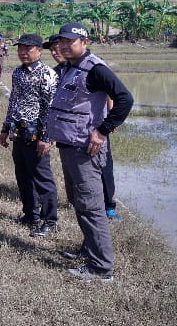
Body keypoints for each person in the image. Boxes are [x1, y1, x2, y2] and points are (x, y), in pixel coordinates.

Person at [48, 23, 133, 281]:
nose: (64, 45)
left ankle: (101, 268)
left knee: (92, 206)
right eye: (61, 41)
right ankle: (89, 249)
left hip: (85, 149)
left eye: (70, 41)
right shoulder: (70, 67)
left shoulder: (95, 69)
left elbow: (125, 99)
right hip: (69, 146)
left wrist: (102, 131)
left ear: (84, 42)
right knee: (80, 202)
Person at [44, 34, 121, 222]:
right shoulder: (58, 72)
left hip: (93, 128)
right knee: (78, 175)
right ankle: (86, 207)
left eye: (60, 46)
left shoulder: (91, 67)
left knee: (102, 167)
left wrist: (110, 122)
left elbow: (112, 93)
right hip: (70, 132)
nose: (56, 52)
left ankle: (108, 205)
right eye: (53, 49)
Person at [0, 34, 59, 237]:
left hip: (37, 133)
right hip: (19, 130)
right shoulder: (17, 73)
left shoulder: (47, 74)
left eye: (28, 49)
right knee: (23, 175)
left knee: (42, 177)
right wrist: (5, 128)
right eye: (20, 49)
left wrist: (47, 137)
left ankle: (50, 220)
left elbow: (50, 109)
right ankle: (30, 214)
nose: (23, 53)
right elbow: (13, 101)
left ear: (39, 51)